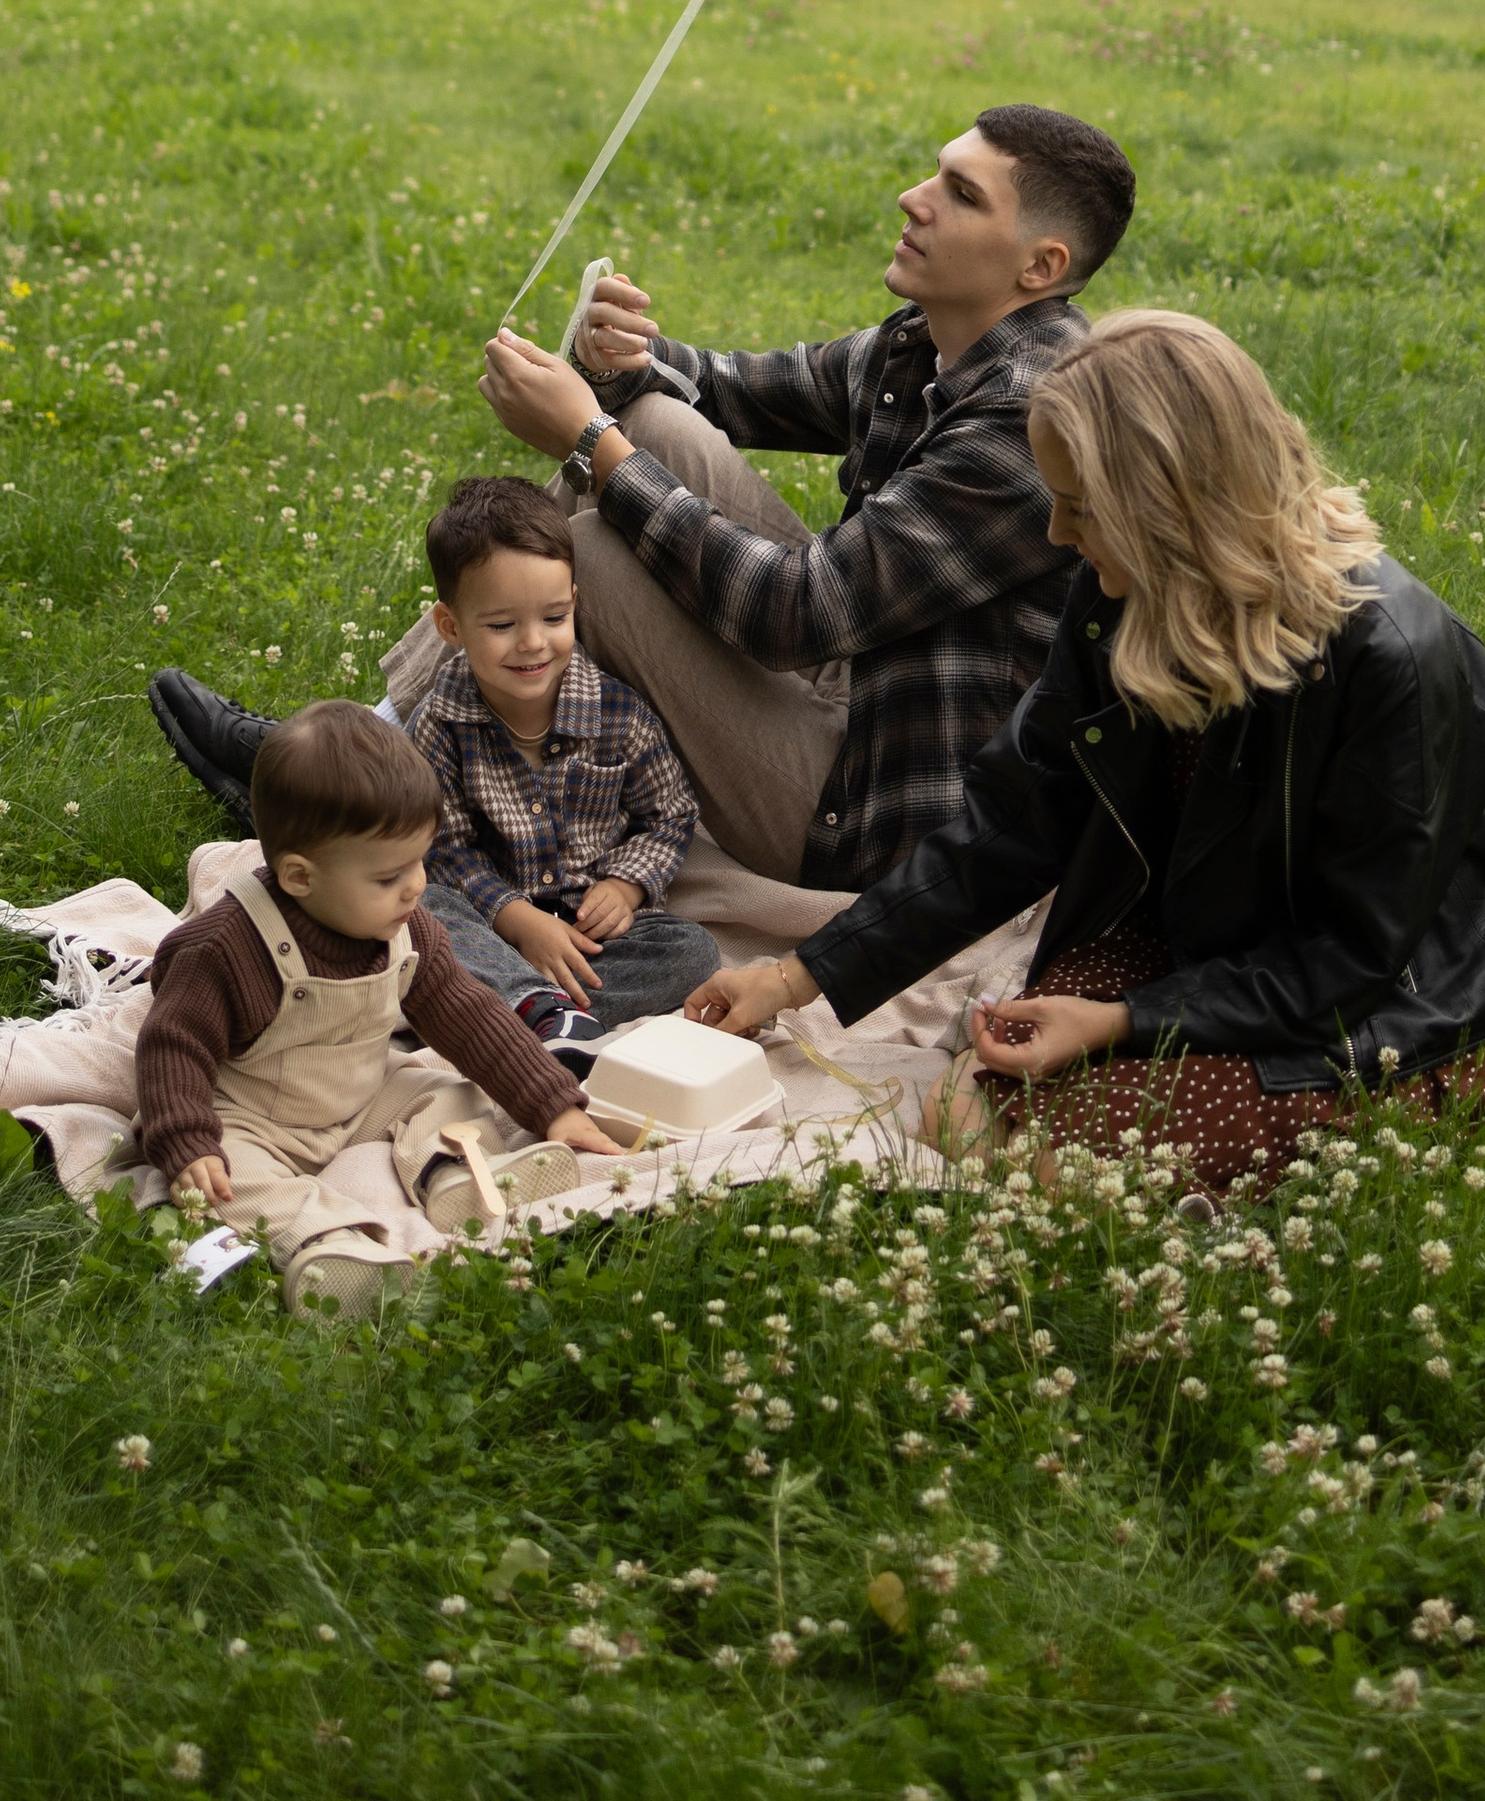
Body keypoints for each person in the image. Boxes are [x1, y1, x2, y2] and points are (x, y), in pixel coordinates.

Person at [147, 103, 1139, 892]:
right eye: (934, 170)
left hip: (880, 815)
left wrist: (586, 432)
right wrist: (625, 362)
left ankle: (345, 783)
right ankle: (372, 750)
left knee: (602, 552)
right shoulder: (923, 340)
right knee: (656, 433)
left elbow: (797, 613)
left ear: (1039, 265)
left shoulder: (1023, 421)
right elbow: (728, 388)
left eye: (959, 194)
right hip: (858, 691)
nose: (911, 197)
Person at [686, 310, 1485, 1188]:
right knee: (980, 1084)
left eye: (1081, 507)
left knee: (1054, 1148)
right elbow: (1013, 824)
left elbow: (1353, 959)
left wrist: (1120, 1021)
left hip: (1362, 1002)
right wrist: (801, 976)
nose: (1058, 535)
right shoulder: (1121, 597)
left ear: (1173, 507)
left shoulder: (1399, 661)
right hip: (1191, 946)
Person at [133, 703, 615, 1313]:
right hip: (253, 1114)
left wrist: (551, 1104)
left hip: (358, 1095)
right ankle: (328, 1243)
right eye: (389, 876)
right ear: (301, 877)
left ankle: (454, 1176)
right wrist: (186, 1139)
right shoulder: (227, 948)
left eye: (419, 861)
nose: (416, 886)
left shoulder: (408, 929)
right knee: (221, 1179)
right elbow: (172, 1043)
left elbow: (470, 1016)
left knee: (446, 1089)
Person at [403, 477, 723, 1073]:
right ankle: (529, 1005)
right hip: (491, 921)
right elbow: (441, 850)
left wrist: (627, 885)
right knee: (423, 913)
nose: (532, 644)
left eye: (554, 617)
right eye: (500, 626)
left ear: (575, 600)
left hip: (587, 933)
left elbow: (671, 813)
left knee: (692, 951)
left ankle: (519, 1012)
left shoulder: (617, 714)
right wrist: (516, 920)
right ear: (450, 626)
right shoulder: (439, 725)